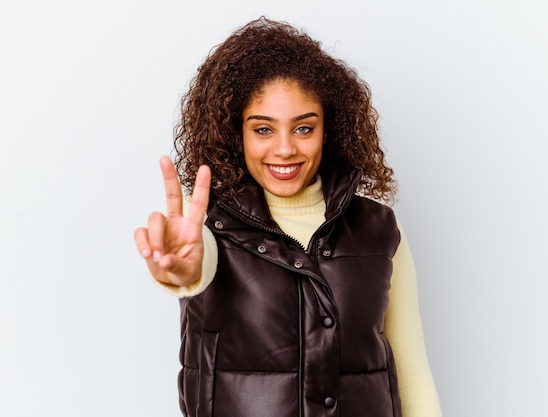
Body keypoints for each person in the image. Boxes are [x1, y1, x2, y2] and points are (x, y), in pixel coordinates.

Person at [134, 17, 442, 417]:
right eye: (263, 129)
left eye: (303, 128)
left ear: (328, 130)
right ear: (236, 132)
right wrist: (180, 270)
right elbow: (197, 265)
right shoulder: (207, 227)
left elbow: (412, 375)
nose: (284, 149)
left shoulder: (378, 229)